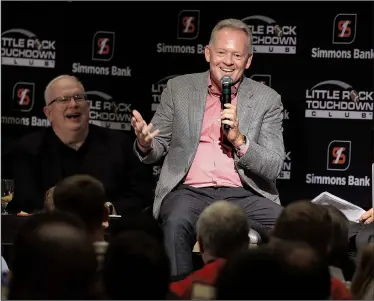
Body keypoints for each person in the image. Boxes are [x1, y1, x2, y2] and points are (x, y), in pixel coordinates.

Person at [131, 18, 285, 277]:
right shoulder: (178, 89)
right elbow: (158, 145)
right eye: (222, 52)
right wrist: (146, 144)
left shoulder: (267, 100)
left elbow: (273, 165)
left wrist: (240, 140)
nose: (228, 61)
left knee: (292, 227)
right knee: (176, 222)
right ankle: (178, 292)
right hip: (189, 192)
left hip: (245, 195)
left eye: (237, 55)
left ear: (248, 61)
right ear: (207, 53)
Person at [5, 75, 153, 215]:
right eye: (64, 99)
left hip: (108, 234)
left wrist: (108, 209)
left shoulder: (119, 144)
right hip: (50, 233)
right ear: (48, 112)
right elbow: (25, 201)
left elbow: (140, 194)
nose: (73, 104)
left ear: (88, 107)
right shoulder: (28, 149)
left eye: (79, 97)